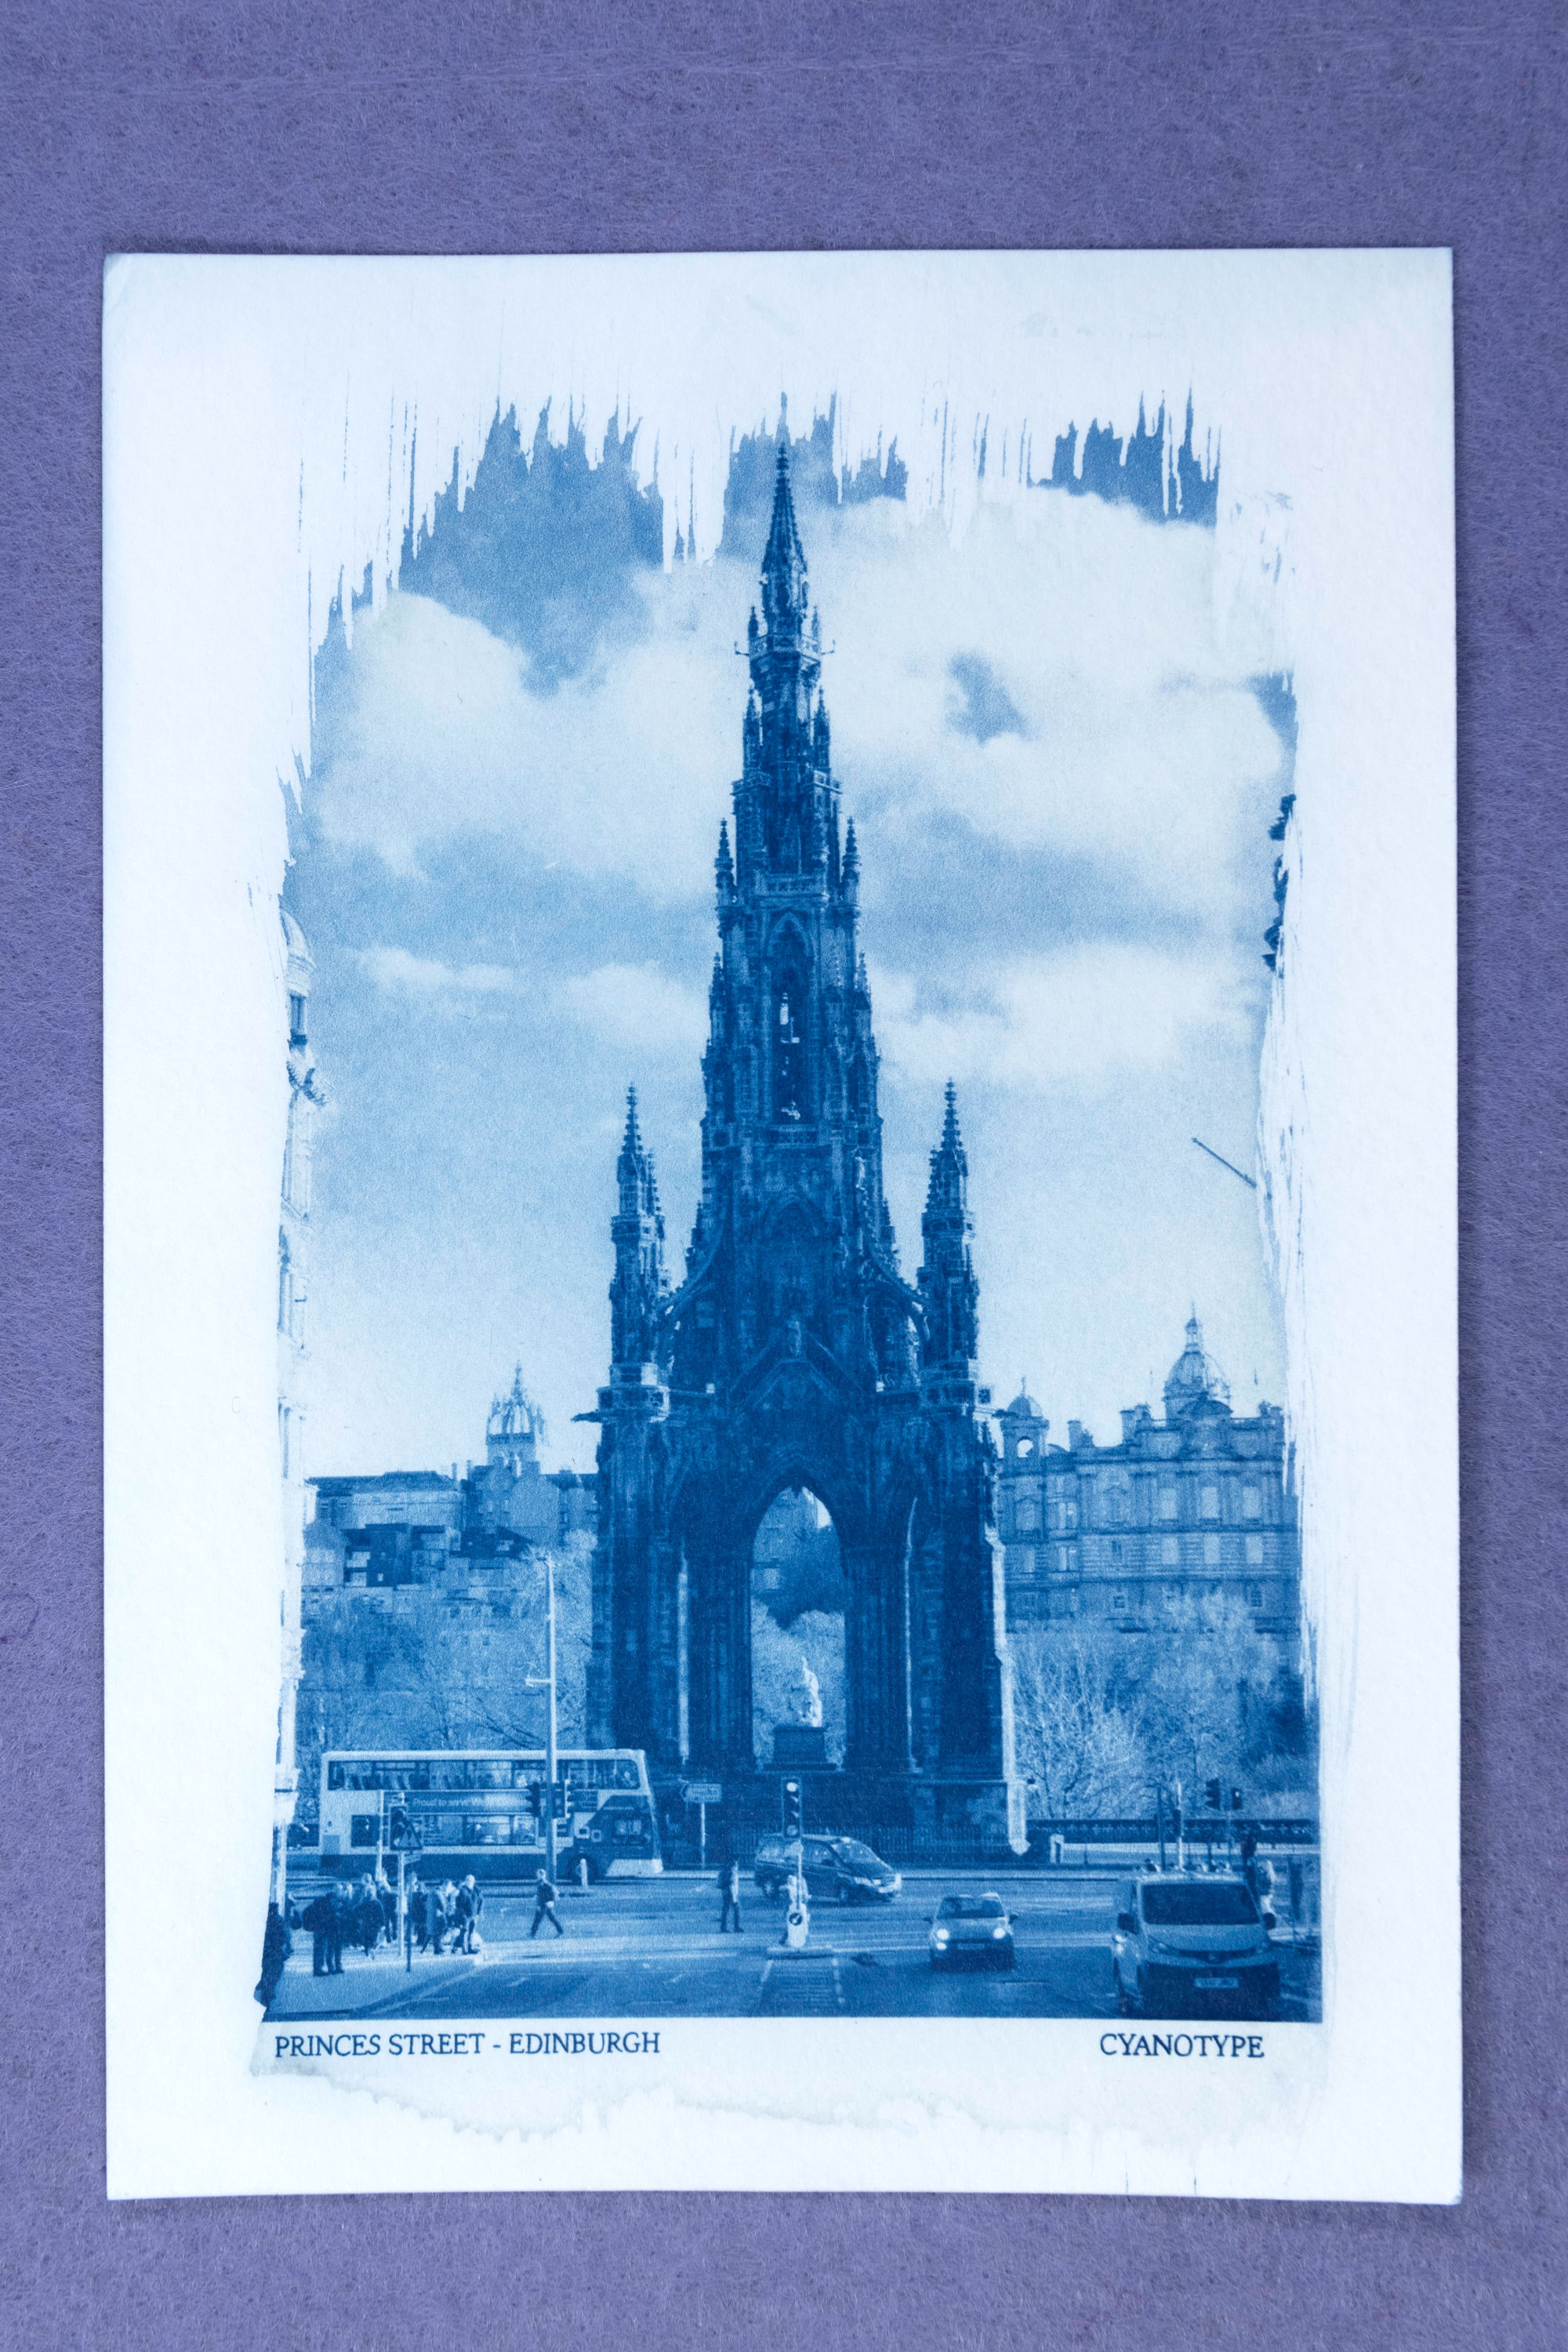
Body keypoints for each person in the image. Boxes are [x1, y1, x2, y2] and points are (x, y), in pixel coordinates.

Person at [254, 1901, 292, 2009]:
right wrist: (284, 1945)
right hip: (275, 1952)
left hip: (265, 1952)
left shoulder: (261, 1919)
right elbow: (286, 1935)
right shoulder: (279, 1920)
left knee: (267, 1974)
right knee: (276, 1973)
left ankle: (266, 1994)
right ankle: (268, 1992)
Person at [301, 1889, 335, 1977]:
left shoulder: (320, 1904)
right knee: (321, 1949)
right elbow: (326, 1919)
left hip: (318, 1930)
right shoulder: (325, 1906)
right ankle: (318, 1969)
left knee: (319, 1949)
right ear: (331, 1899)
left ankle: (318, 1968)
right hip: (322, 1930)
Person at [530, 1867, 564, 1939]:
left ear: (542, 1875)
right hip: (544, 1904)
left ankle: (532, 1934)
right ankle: (561, 1931)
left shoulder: (545, 1884)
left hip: (545, 1905)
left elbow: (549, 1894)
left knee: (538, 1919)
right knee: (552, 1918)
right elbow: (541, 1894)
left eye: (538, 1874)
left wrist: (549, 1901)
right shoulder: (541, 1883)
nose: (537, 1876)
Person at [454, 1874, 485, 1955]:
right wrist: (462, 1915)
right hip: (465, 1916)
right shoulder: (462, 1891)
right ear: (465, 1881)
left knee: (472, 1931)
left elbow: (481, 1900)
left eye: (471, 1881)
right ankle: (464, 1949)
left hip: (473, 1915)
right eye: (468, 1880)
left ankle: (470, 1947)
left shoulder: (476, 1891)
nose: (469, 1882)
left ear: (474, 1882)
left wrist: (478, 1913)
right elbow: (459, 1904)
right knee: (464, 1931)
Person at [718, 1855, 742, 1934]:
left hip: (726, 1893)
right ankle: (736, 1927)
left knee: (725, 1910)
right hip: (731, 1894)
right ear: (734, 1865)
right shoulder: (732, 1873)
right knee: (736, 1910)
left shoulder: (728, 1871)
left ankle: (723, 1927)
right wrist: (733, 1898)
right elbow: (731, 1885)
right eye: (737, 1865)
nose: (737, 1867)